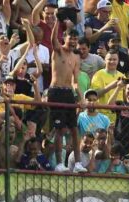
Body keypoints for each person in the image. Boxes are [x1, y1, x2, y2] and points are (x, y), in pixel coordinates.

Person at [48, 20, 81, 171]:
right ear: (65, 38)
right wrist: (57, 21)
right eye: (71, 38)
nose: (73, 41)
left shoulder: (76, 58)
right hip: (56, 92)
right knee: (59, 130)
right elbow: (53, 38)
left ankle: (78, 163)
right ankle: (60, 164)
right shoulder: (58, 50)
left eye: (75, 39)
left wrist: (80, 97)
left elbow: (75, 80)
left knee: (74, 129)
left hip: (69, 93)